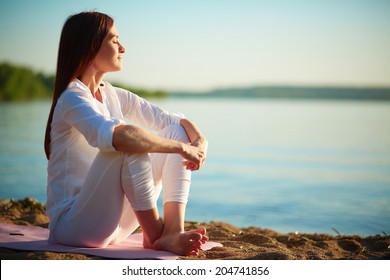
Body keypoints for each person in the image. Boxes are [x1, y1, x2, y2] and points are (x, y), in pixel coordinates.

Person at [44, 11, 208, 256]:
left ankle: (172, 230)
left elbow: (174, 120)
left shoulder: (112, 94)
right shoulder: (72, 98)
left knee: (174, 132)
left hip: (116, 226)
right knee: (127, 142)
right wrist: (182, 149)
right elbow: (121, 137)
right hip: (73, 226)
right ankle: (155, 235)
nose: (123, 48)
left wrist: (199, 140)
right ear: (90, 46)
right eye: (114, 40)